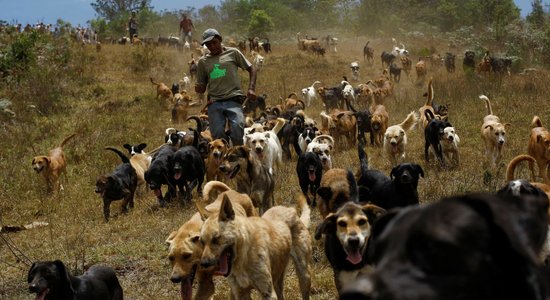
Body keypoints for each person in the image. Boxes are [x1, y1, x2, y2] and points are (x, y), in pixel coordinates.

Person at [195, 28, 257, 146]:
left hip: (233, 99)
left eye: (214, 43)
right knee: (217, 134)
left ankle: (237, 155)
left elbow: (251, 68)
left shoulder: (233, 53)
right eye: (208, 44)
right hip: (215, 102)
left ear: (220, 40)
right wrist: (199, 89)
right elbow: (202, 87)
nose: (212, 46)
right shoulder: (203, 62)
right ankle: (224, 157)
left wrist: (251, 88)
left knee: (237, 128)